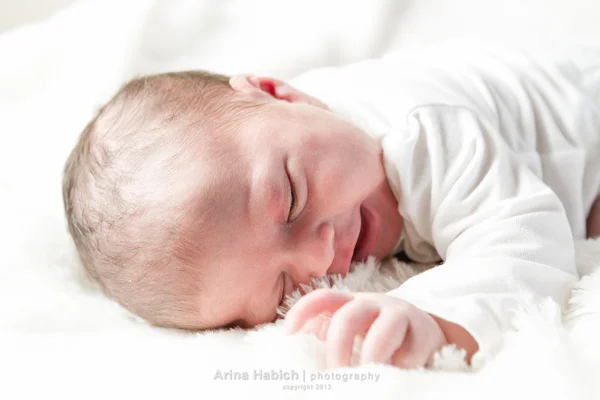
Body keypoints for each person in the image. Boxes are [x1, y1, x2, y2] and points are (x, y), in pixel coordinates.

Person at [62, 39, 600, 370]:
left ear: (281, 93)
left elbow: (524, 234)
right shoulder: (282, 137)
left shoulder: (420, 131)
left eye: (292, 199)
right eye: (281, 289)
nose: (320, 261)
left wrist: (435, 316)